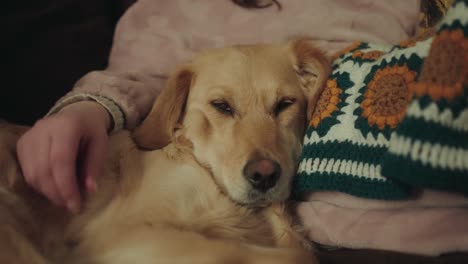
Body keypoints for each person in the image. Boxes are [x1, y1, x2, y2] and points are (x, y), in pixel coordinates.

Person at [16, 0, 421, 214]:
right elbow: (137, 81)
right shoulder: (166, 10)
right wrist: (86, 109)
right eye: (223, 107)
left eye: (281, 105)